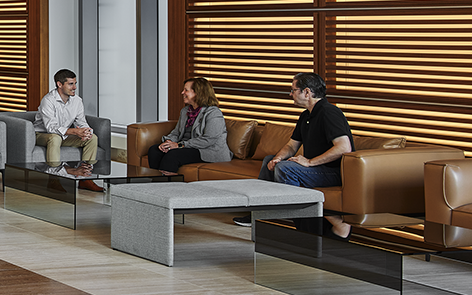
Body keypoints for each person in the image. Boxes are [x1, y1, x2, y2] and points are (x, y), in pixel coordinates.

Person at [233, 72, 354, 227]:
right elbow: (291, 146)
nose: (291, 94)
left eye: (293, 90)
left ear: (307, 92)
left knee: (286, 169)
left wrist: (310, 162)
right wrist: (278, 158)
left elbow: (344, 147)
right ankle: (258, 213)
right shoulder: (306, 116)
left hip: (333, 172)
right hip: (317, 169)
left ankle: (296, 219)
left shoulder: (329, 112)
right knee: (270, 161)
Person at [33, 68, 102, 190]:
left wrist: (86, 132)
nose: (74, 87)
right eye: (71, 84)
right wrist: (75, 131)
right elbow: (51, 128)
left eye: (75, 83)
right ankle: (54, 179)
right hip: (42, 135)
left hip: (63, 136)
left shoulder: (77, 101)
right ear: (59, 84)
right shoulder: (48, 101)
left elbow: (82, 122)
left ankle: (85, 178)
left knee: (92, 138)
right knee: (54, 138)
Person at [148, 77, 230, 174]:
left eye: (186, 90)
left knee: (173, 155)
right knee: (154, 150)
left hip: (207, 150)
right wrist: (168, 142)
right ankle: (156, 184)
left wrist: (180, 145)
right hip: (187, 147)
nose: (182, 93)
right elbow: (177, 132)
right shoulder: (185, 111)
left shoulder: (213, 113)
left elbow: (209, 139)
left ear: (198, 93)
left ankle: (169, 187)